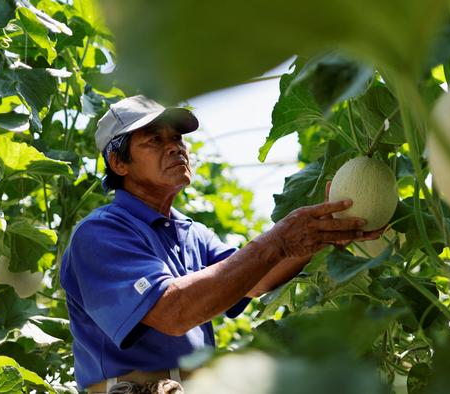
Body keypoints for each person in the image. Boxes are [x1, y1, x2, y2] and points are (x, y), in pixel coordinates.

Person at [59, 95, 384, 393]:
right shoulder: (100, 234)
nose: (174, 147)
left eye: (176, 138)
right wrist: (278, 240)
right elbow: (173, 312)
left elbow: (253, 281)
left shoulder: (191, 231)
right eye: (155, 140)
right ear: (119, 163)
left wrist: (321, 234)